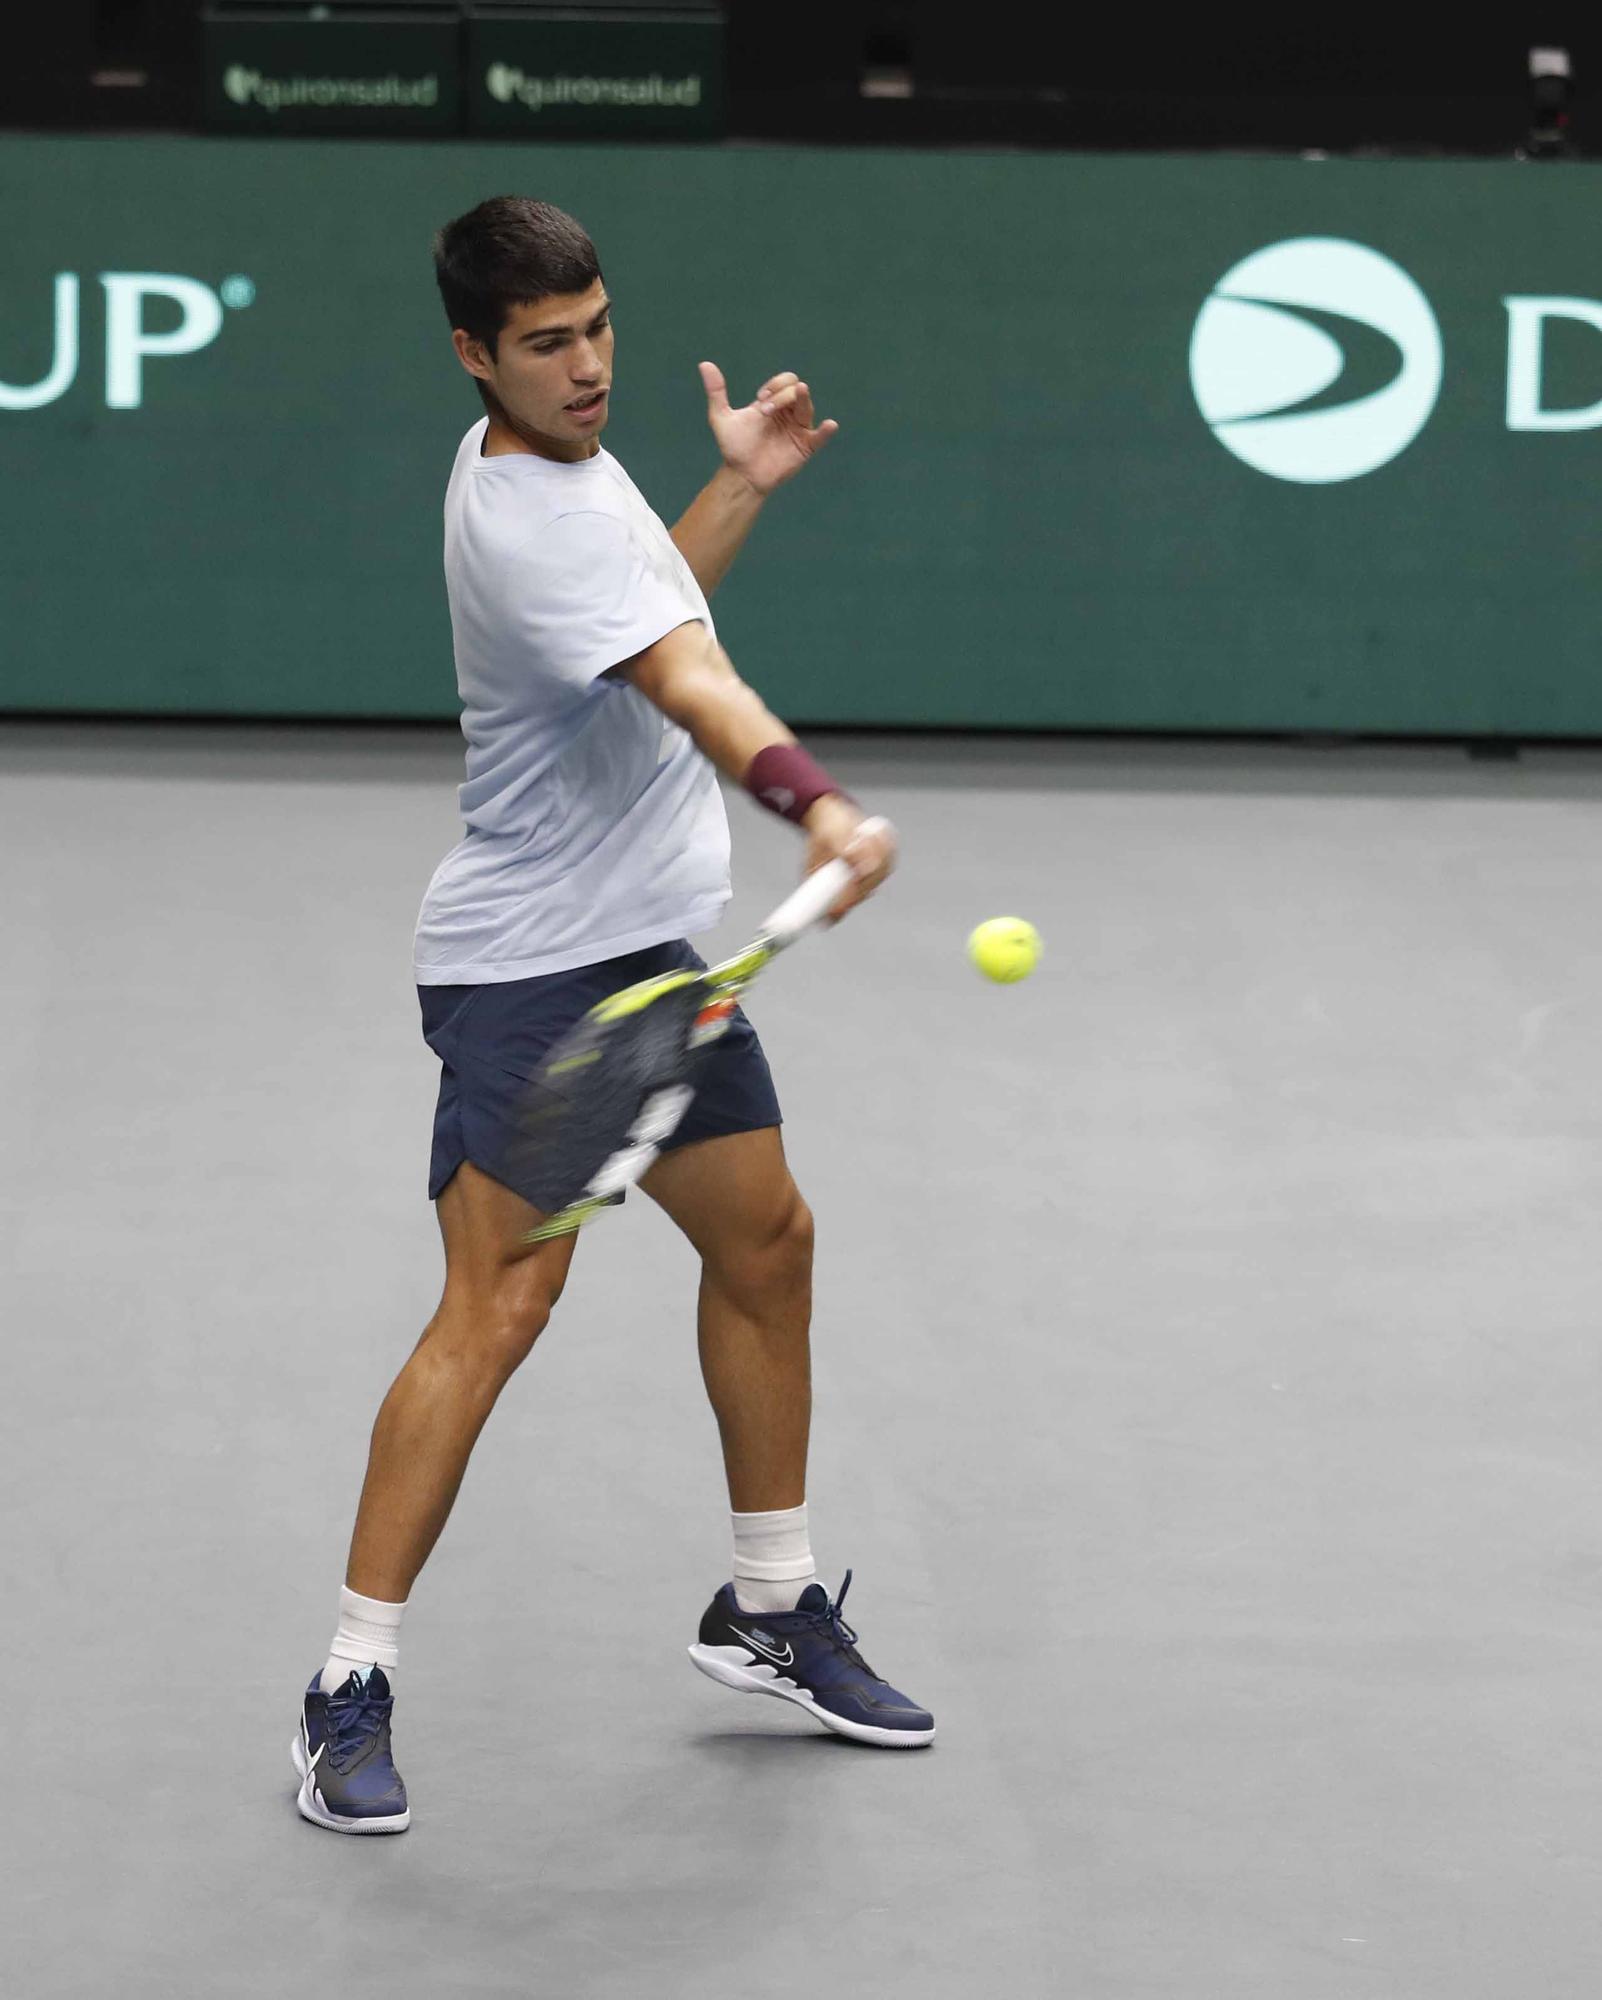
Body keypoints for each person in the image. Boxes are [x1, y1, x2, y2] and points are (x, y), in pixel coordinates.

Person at [289, 195, 934, 1835]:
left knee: (768, 1244)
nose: (586, 368)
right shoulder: (529, 516)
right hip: (527, 970)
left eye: (596, 329)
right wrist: (814, 800)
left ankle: (770, 1605)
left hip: (652, 956)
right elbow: (686, 683)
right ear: (471, 354)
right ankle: (346, 1682)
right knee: (497, 1311)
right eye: (546, 346)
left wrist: (735, 487)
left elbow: (655, 612)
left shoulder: (570, 470)